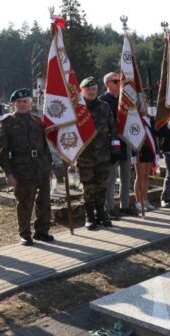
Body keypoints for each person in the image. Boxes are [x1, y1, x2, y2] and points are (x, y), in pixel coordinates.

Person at [0, 88, 54, 246]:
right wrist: (8, 173)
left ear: (30, 104)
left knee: (44, 201)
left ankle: (42, 231)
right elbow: (3, 152)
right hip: (22, 169)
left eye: (25, 101)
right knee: (25, 203)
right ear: (13, 104)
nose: (22, 104)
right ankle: (25, 233)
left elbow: (44, 146)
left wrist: (49, 168)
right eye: (19, 102)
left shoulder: (37, 121)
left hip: (41, 167)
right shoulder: (8, 122)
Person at [78, 77, 115, 230]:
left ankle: (101, 213)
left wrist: (115, 150)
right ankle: (90, 216)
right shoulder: (77, 109)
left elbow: (112, 129)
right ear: (82, 91)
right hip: (84, 156)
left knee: (101, 186)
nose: (92, 92)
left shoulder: (104, 106)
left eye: (94, 89)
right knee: (88, 187)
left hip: (103, 154)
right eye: (88, 89)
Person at [100, 72, 135, 218]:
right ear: (107, 83)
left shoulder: (124, 98)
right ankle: (109, 208)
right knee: (112, 177)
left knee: (126, 176)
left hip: (124, 140)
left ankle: (125, 205)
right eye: (115, 81)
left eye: (119, 80)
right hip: (111, 142)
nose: (118, 83)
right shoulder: (102, 100)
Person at [132, 116, 157, 212]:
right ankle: (138, 202)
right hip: (139, 150)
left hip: (149, 149)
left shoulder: (150, 118)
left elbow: (155, 135)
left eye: (145, 102)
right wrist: (133, 154)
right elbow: (132, 134)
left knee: (146, 176)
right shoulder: (135, 117)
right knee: (140, 176)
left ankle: (145, 199)